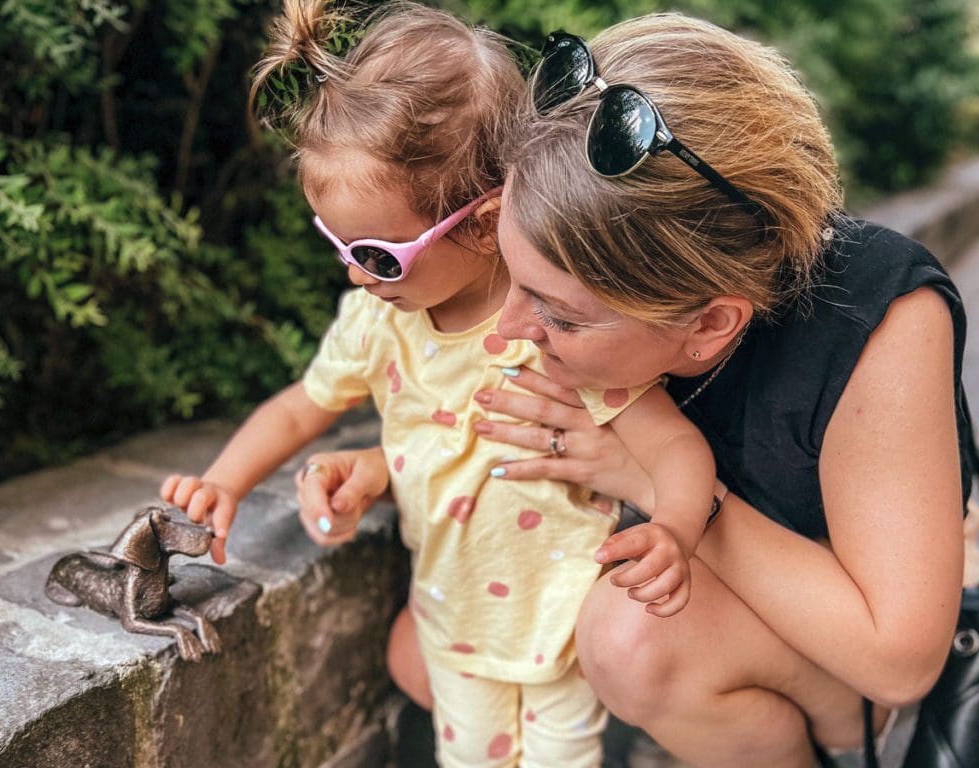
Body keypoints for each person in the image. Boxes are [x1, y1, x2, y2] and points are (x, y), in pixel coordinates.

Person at [297, 12, 978, 768]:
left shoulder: (880, 319)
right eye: (509, 281)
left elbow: (898, 660)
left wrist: (645, 479)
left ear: (710, 324)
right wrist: (383, 467)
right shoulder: (574, 250)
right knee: (420, 653)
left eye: (557, 313)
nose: (511, 328)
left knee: (633, 639)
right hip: (708, 608)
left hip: (853, 669)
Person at [160, 3, 721, 765]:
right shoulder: (377, 323)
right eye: (338, 245)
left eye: (381, 254)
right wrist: (224, 482)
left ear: (486, 223)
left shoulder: (552, 331)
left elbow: (677, 448)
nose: (357, 273)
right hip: (453, 616)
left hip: (562, 612)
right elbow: (303, 407)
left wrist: (675, 531)